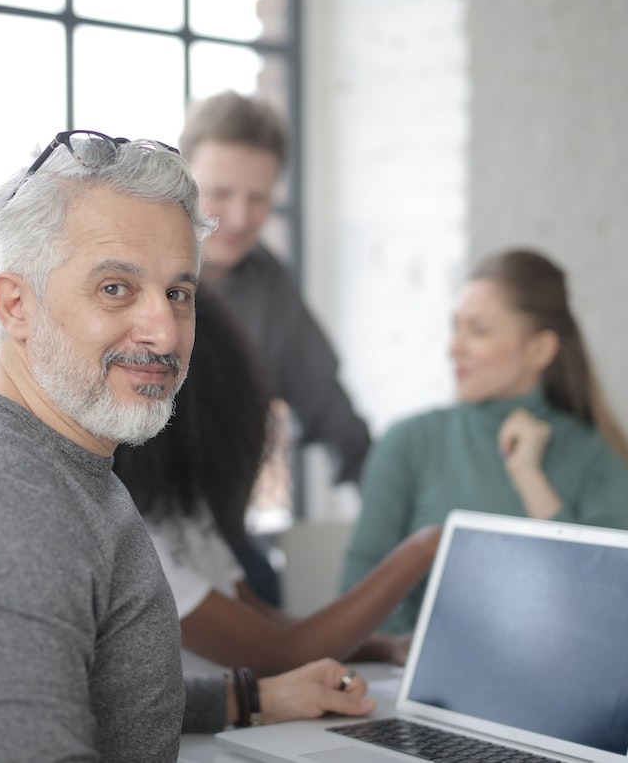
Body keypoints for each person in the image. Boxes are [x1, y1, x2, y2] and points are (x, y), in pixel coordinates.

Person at [0, 130, 374, 763]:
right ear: (16, 306)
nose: (164, 331)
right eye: (115, 288)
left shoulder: (50, 451)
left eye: (178, 293)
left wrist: (253, 698)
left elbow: (90, 686)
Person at [114, 289, 441, 678]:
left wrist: (384, 647)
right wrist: (423, 549)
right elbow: (281, 653)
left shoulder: (182, 510)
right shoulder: (131, 539)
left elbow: (266, 623)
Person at [340, 248, 628, 634]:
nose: (453, 348)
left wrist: (530, 478)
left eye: (477, 331)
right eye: (456, 327)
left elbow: (608, 604)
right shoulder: (409, 442)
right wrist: (406, 655)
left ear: (539, 350)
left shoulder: (598, 453)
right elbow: (355, 599)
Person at [180, 91, 372, 606]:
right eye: (219, 192)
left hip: (224, 541)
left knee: (275, 609)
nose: (240, 218)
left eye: (259, 197)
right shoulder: (127, 271)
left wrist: (402, 524)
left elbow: (340, 426)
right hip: (127, 536)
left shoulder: (272, 288)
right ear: (182, 177)